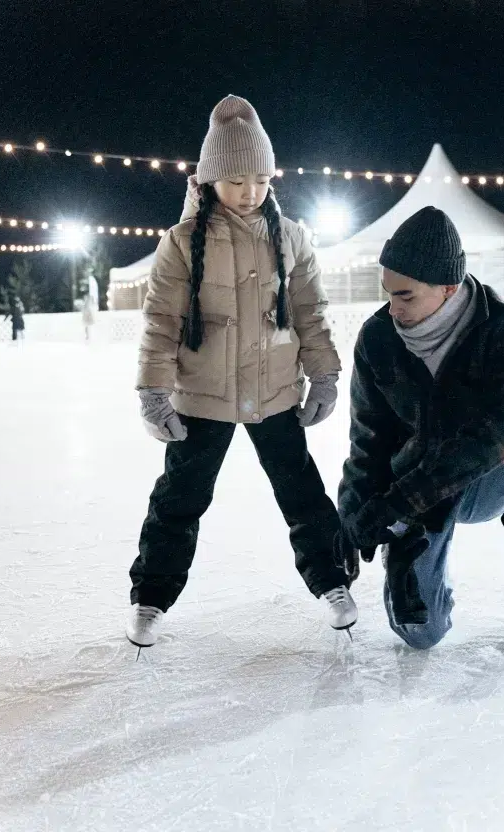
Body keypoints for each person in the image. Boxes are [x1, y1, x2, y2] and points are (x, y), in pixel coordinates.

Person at [127, 95, 356, 649]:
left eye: (259, 179)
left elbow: (311, 313)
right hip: (201, 395)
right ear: (209, 181)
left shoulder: (291, 237)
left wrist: (323, 376)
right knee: (179, 498)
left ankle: (333, 583)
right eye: (235, 181)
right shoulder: (182, 244)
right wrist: (155, 391)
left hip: (275, 391)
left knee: (301, 492)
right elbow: (162, 320)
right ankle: (151, 597)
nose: (250, 192)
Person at [338, 206, 504, 659]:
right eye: (388, 293)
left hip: (479, 479)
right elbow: (367, 438)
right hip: (418, 492)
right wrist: (351, 514)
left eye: (406, 296)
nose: (394, 308)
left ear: (448, 287)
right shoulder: (377, 339)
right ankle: (408, 555)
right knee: (420, 634)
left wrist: (401, 501)